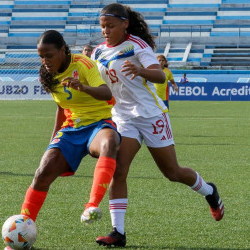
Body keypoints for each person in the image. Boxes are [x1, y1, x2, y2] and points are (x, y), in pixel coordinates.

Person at [91, 3, 224, 247]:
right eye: (102, 26)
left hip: (151, 116)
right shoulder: (98, 52)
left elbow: (160, 75)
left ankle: (209, 191)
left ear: (125, 24)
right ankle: (117, 232)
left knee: (172, 173)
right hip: (123, 116)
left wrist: (141, 70)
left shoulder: (137, 46)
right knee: (118, 169)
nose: (105, 31)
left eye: (110, 25)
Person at [17, 30, 121, 233]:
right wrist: (53, 141)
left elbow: (106, 93)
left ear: (62, 50)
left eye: (49, 55)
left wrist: (82, 87)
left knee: (109, 142)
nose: (45, 61)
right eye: (41, 56)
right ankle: (21, 229)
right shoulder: (47, 74)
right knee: (42, 173)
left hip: (99, 124)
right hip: (72, 128)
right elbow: (61, 108)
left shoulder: (83, 63)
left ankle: (91, 205)